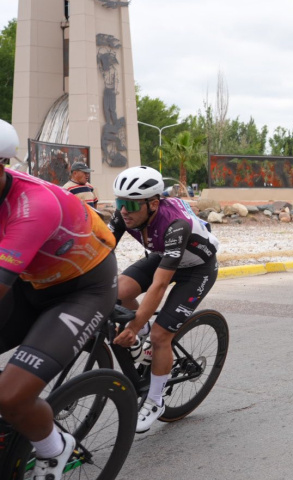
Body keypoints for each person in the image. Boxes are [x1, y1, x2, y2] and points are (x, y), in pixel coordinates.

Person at [0, 119, 118, 480]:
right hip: (32, 280)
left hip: (82, 290)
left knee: (11, 397)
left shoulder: (33, 206)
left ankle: (54, 448)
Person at [108, 165, 220, 433]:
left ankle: (155, 400)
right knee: (117, 293)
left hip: (197, 270)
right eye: (120, 203)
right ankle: (143, 336)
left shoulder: (175, 225)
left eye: (130, 205)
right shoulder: (126, 214)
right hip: (165, 255)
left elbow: (159, 286)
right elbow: (101, 250)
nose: (123, 211)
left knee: (160, 337)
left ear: (154, 204)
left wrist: (134, 326)